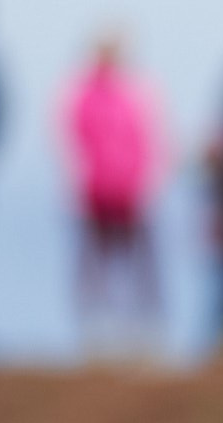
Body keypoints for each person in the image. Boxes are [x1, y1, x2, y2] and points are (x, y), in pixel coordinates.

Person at [61, 31, 164, 362]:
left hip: (132, 193)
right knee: (95, 265)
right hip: (94, 193)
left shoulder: (138, 90)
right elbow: (70, 143)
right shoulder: (80, 92)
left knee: (139, 266)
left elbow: (154, 139)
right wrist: (76, 186)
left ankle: (141, 329)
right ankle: (98, 328)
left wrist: (149, 185)